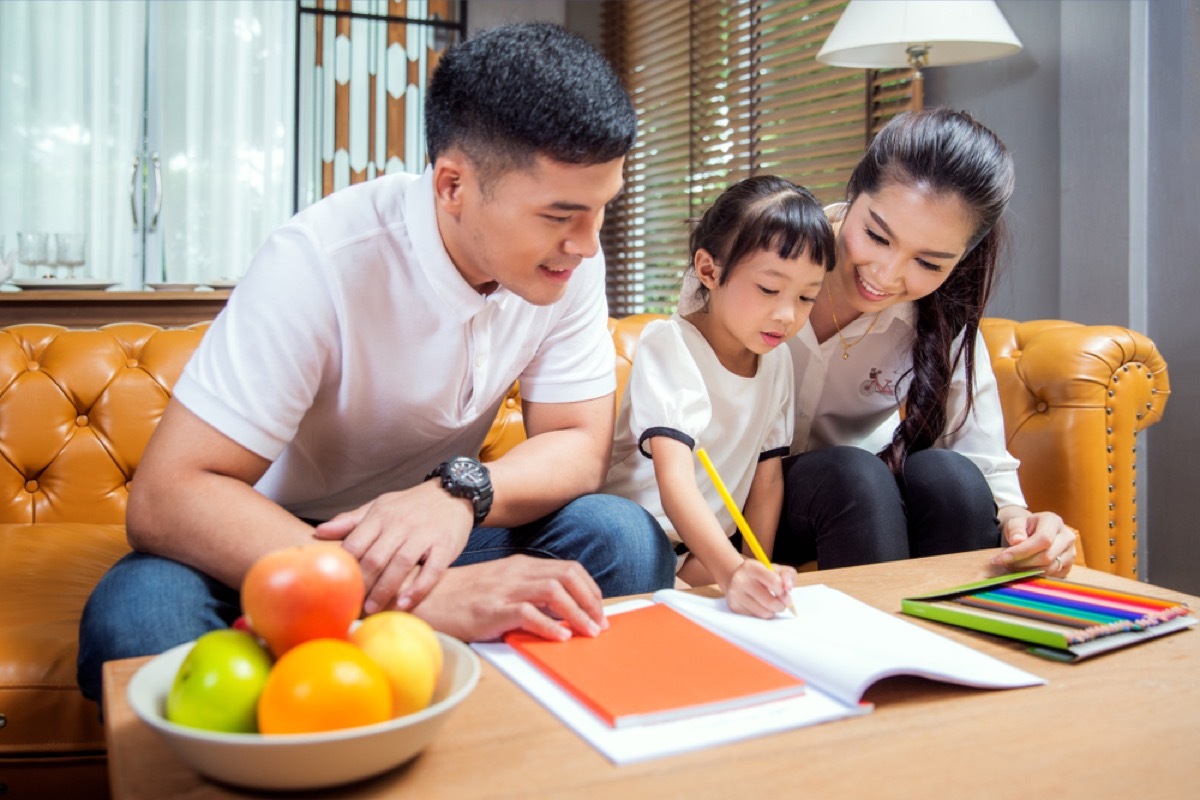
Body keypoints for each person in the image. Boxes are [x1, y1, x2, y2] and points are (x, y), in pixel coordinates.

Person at [76, 22, 677, 704]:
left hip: (433, 527)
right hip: (282, 538)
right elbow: (169, 494)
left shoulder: (565, 263)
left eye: (602, 210)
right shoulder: (319, 261)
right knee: (137, 620)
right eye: (561, 215)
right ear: (453, 185)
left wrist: (461, 493)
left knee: (625, 539)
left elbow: (576, 444)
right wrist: (414, 596)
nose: (588, 246)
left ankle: (516, 736)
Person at [772, 107, 1078, 576]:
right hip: (747, 499)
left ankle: (957, 642)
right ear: (853, 192)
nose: (886, 275)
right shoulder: (760, 255)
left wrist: (1025, 525)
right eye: (876, 235)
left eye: (930, 263)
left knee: (950, 478)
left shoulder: (940, 314)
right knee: (852, 477)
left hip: (863, 506)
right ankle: (872, 648)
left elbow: (981, 458)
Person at [604, 176, 835, 618]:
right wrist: (731, 570)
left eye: (807, 296)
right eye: (769, 289)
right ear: (709, 271)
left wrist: (753, 564)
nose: (787, 315)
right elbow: (675, 482)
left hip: (699, 553)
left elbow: (767, 480)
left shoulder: (778, 361)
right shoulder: (669, 344)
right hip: (635, 540)